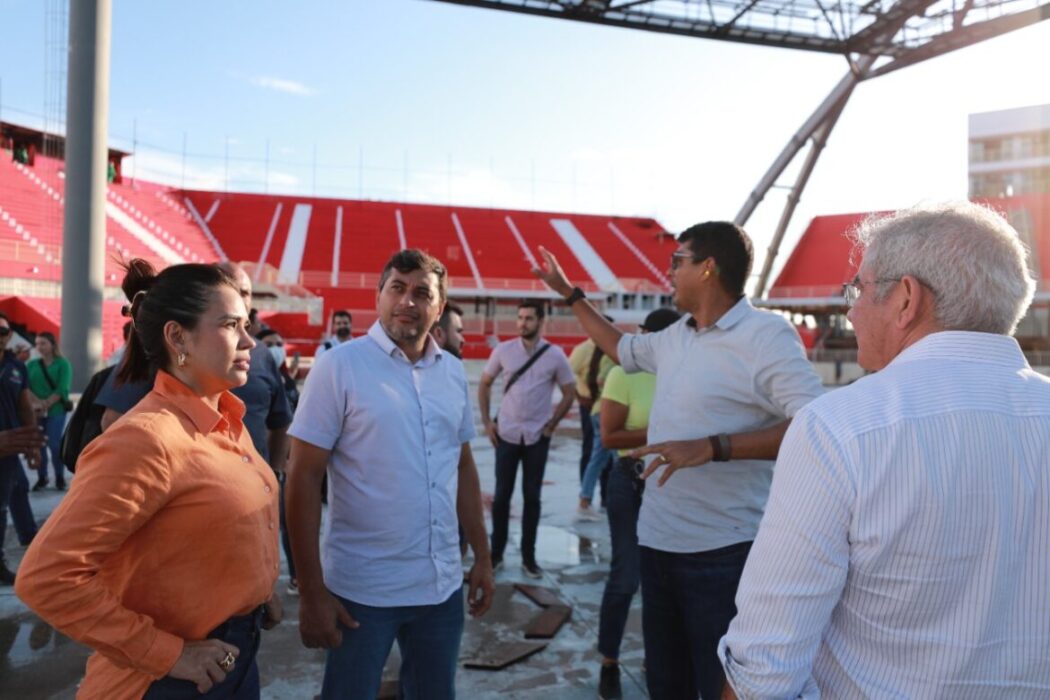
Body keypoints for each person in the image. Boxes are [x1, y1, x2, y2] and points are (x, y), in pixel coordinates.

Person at [719, 202, 1050, 699]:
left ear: (907, 299)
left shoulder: (840, 428)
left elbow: (764, 671)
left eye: (859, 289)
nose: (850, 310)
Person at [532, 221, 824, 700]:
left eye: (677, 261)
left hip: (723, 551)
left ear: (708, 268)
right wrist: (569, 293)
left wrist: (714, 446)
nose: (668, 271)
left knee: (718, 686)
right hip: (659, 543)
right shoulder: (677, 336)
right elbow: (618, 346)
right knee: (666, 683)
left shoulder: (766, 335)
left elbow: (814, 424)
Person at [15, 259, 282, 699]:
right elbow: (47, 576)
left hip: (233, 656)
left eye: (247, 324)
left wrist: (255, 591)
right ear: (178, 337)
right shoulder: (146, 440)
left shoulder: (226, 420)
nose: (249, 340)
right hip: (164, 681)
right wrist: (168, 654)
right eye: (231, 325)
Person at [286, 249, 494, 700]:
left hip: (440, 589)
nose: (407, 301)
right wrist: (311, 591)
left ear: (439, 309)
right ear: (379, 296)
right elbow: (302, 476)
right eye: (397, 288)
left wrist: (481, 555)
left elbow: (461, 464)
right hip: (362, 591)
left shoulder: (453, 372)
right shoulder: (340, 366)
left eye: (422, 293)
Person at [594, 307, 680, 700]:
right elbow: (610, 437)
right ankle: (609, 655)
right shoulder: (621, 373)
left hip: (669, 481)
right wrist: (661, 430)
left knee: (662, 578)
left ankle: (656, 656)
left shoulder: (682, 374)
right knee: (626, 574)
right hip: (629, 482)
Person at [479, 300, 576, 578]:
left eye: (529, 318)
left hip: (536, 437)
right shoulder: (504, 350)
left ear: (541, 321)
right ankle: (496, 554)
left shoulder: (555, 355)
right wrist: (487, 422)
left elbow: (569, 392)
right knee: (501, 498)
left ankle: (529, 558)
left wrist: (551, 426)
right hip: (507, 434)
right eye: (520, 318)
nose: (522, 323)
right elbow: (484, 383)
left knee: (532, 497)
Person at [0, 312, 44, 585]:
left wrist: (33, 447)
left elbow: (24, 406)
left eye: (3, 331)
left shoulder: (17, 368)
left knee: (1, 509)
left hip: (8, 452)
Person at [576, 329, 616, 521]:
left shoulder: (599, 352)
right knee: (613, 458)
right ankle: (593, 500)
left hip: (597, 408)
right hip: (605, 409)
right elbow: (601, 379)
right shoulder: (610, 354)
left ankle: (588, 500)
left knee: (598, 456)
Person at [26, 331, 71, 491]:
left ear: (52, 345)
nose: (39, 347)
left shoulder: (62, 364)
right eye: (37, 344)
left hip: (56, 410)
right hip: (35, 411)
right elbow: (25, 387)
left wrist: (45, 403)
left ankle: (59, 476)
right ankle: (42, 477)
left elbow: (62, 387)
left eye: (43, 343)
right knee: (39, 445)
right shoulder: (31, 364)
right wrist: (37, 403)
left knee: (54, 444)